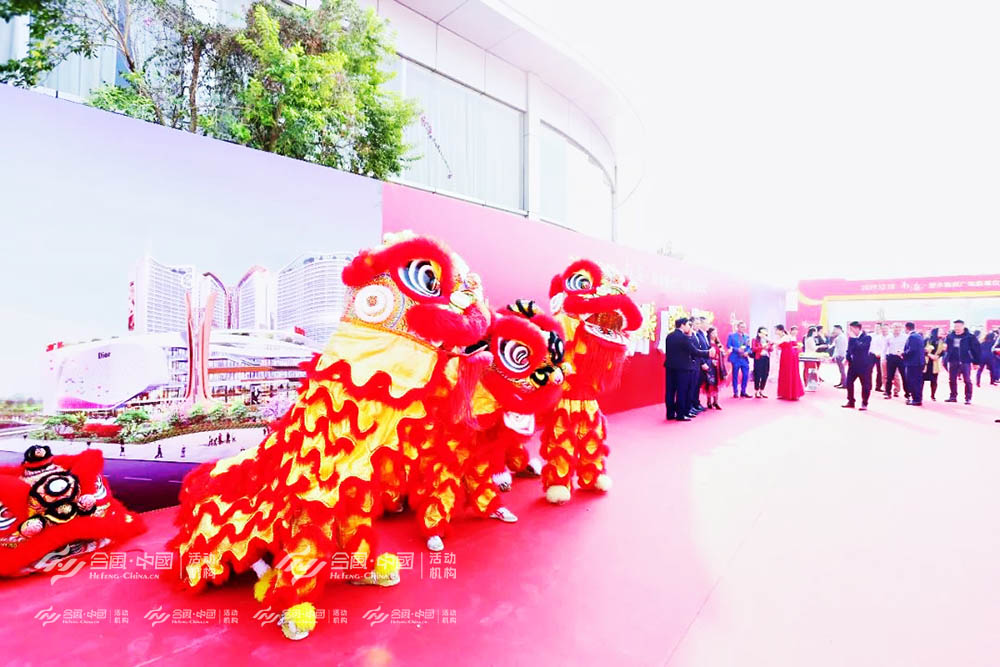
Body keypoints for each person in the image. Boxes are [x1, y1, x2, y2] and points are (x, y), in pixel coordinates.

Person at [664, 318, 709, 421]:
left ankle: (670, 414)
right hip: (683, 368)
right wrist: (707, 353)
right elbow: (694, 351)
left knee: (670, 391)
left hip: (670, 367)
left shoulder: (669, 336)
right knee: (682, 391)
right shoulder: (684, 338)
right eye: (688, 325)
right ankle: (680, 414)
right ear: (682, 325)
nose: (689, 327)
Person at [944, 319, 981, 404]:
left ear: (963, 326)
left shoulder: (970, 337)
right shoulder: (950, 336)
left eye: (958, 326)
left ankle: (968, 398)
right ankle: (953, 396)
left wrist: (976, 362)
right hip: (953, 360)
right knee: (952, 379)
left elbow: (976, 350)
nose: (956, 328)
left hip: (965, 361)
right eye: (955, 326)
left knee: (967, 380)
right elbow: (946, 347)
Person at [842, 321, 873, 410]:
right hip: (853, 365)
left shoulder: (867, 337)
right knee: (849, 383)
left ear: (857, 329)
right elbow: (849, 350)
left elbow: (861, 348)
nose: (849, 331)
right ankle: (851, 401)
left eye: (851, 329)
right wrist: (847, 358)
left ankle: (864, 403)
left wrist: (854, 338)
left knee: (865, 385)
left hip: (864, 365)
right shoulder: (851, 338)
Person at [776, 325, 805, 400]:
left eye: (796, 330)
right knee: (785, 372)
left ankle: (793, 393)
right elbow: (779, 345)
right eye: (794, 330)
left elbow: (782, 344)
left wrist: (796, 347)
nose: (795, 332)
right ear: (791, 331)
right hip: (786, 355)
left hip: (791, 356)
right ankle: (784, 393)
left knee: (792, 372)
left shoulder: (788, 337)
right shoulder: (786, 336)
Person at [725, 321, 752, 398]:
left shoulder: (747, 336)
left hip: (744, 358)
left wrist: (747, 352)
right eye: (741, 327)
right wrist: (737, 350)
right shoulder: (732, 336)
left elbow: (749, 347)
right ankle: (735, 392)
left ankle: (743, 391)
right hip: (735, 358)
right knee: (735, 375)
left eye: (744, 327)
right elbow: (728, 345)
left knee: (746, 375)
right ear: (738, 327)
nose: (743, 328)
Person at [702, 327, 727, 410]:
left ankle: (716, 402)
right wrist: (711, 361)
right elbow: (705, 354)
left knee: (717, 383)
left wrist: (723, 352)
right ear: (709, 334)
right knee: (710, 383)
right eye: (713, 333)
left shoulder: (718, 343)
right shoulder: (707, 343)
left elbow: (722, 353)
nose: (715, 335)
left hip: (718, 365)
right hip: (710, 365)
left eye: (716, 333)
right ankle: (709, 401)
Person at [691, 317, 711, 413]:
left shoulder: (704, 335)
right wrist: (703, 363)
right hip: (698, 364)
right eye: (706, 323)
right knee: (694, 386)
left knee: (697, 385)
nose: (708, 325)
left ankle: (696, 403)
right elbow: (697, 351)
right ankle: (693, 404)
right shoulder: (696, 334)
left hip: (704, 363)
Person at [883, 322, 908, 400]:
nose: (897, 329)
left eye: (898, 327)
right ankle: (888, 393)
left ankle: (907, 394)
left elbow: (908, 348)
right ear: (892, 328)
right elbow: (884, 348)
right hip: (891, 357)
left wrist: (904, 354)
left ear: (901, 328)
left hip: (902, 357)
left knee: (904, 376)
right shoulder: (888, 337)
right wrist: (883, 358)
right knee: (889, 376)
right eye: (895, 327)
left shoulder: (905, 337)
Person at [902, 322, 925, 406]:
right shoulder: (918, 336)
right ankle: (917, 399)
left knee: (913, 381)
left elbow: (912, 350)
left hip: (913, 363)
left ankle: (916, 399)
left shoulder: (912, 337)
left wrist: (902, 354)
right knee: (917, 381)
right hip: (918, 362)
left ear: (906, 328)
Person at [923, 327, 945, 401]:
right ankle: (920, 394)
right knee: (922, 380)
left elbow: (943, 351)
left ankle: (933, 395)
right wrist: (929, 355)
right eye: (940, 331)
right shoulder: (927, 340)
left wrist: (938, 356)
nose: (942, 333)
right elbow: (921, 349)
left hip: (935, 362)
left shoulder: (941, 341)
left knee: (934, 380)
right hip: (926, 362)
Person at [751, 327, 773, 398]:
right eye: (762, 332)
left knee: (765, 374)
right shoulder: (755, 340)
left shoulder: (767, 340)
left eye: (765, 332)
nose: (764, 334)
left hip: (766, 358)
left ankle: (762, 390)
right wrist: (762, 347)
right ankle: (756, 390)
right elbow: (754, 349)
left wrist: (769, 346)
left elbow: (771, 349)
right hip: (758, 358)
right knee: (757, 374)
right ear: (759, 333)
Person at [869, 323, 888, 392]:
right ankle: (869, 386)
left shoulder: (883, 337)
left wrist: (880, 353)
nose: (876, 329)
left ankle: (878, 387)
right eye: (875, 327)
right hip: (871, 354)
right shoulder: (870, 336)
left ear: (880, 328)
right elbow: (870, 346)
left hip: (880, 355)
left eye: (878, 327)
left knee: (880, 372)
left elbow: (883, 347)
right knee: (869, 371)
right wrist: (874, 352)